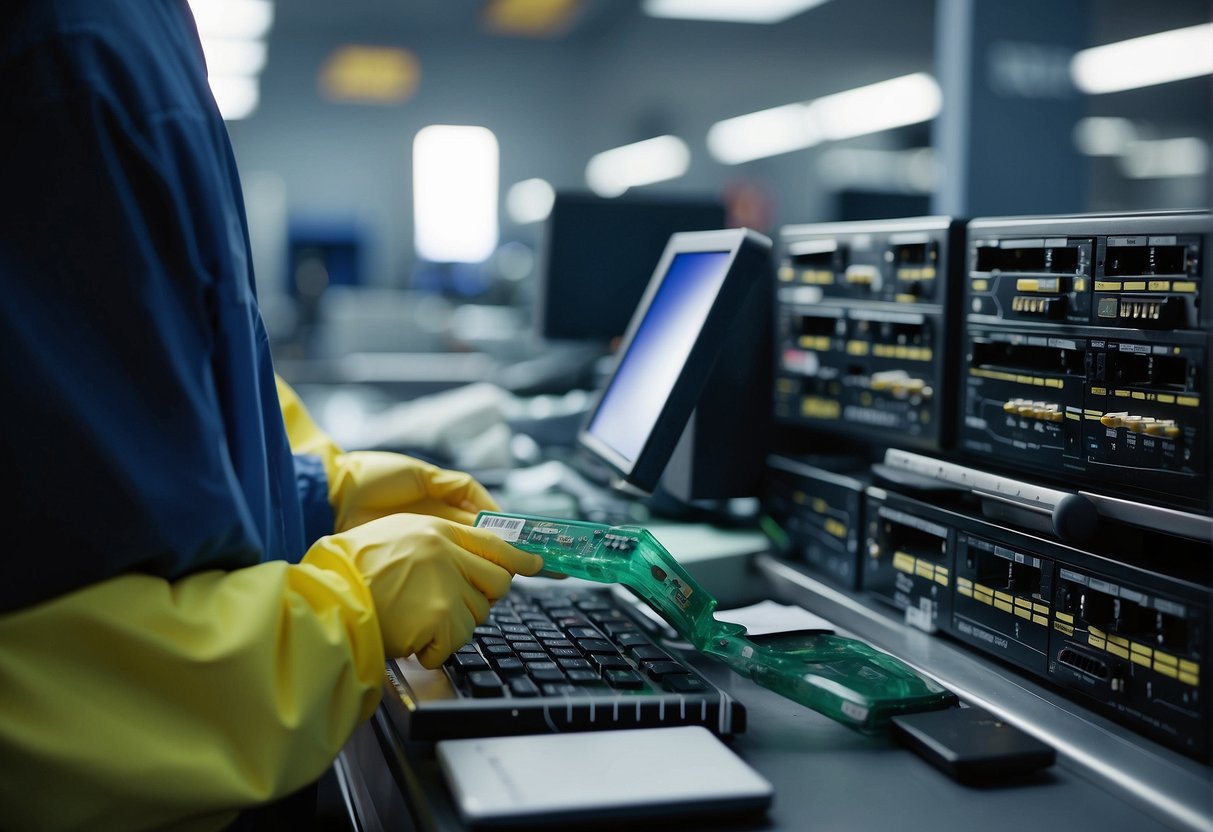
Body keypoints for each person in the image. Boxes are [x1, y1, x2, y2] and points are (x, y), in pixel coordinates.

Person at [0, 2, 543, 829]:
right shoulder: (63, 49)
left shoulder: (131, 30)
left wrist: (319, 492)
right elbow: (43, 717)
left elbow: (141, 416)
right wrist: (348, 614)